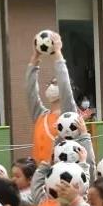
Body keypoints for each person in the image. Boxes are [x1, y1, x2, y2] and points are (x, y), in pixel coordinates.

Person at [26, 32, 77, 163]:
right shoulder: (40, 115)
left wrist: (57, 53)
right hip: (38, 174)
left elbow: (65, 84)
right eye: (50, 83)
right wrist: (35, 58)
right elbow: (30, 91)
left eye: (55, 83)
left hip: (59, 174)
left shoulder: (69, 113)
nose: (50, 86)